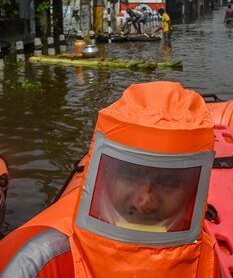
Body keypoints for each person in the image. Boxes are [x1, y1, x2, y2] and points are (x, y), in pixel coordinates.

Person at [0, 82, 218, 277]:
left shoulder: (205, 259)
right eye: (131, 175)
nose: (144, 203)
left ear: (193, 189)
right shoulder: (42, 261)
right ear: (104, 173)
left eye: (169, 182)